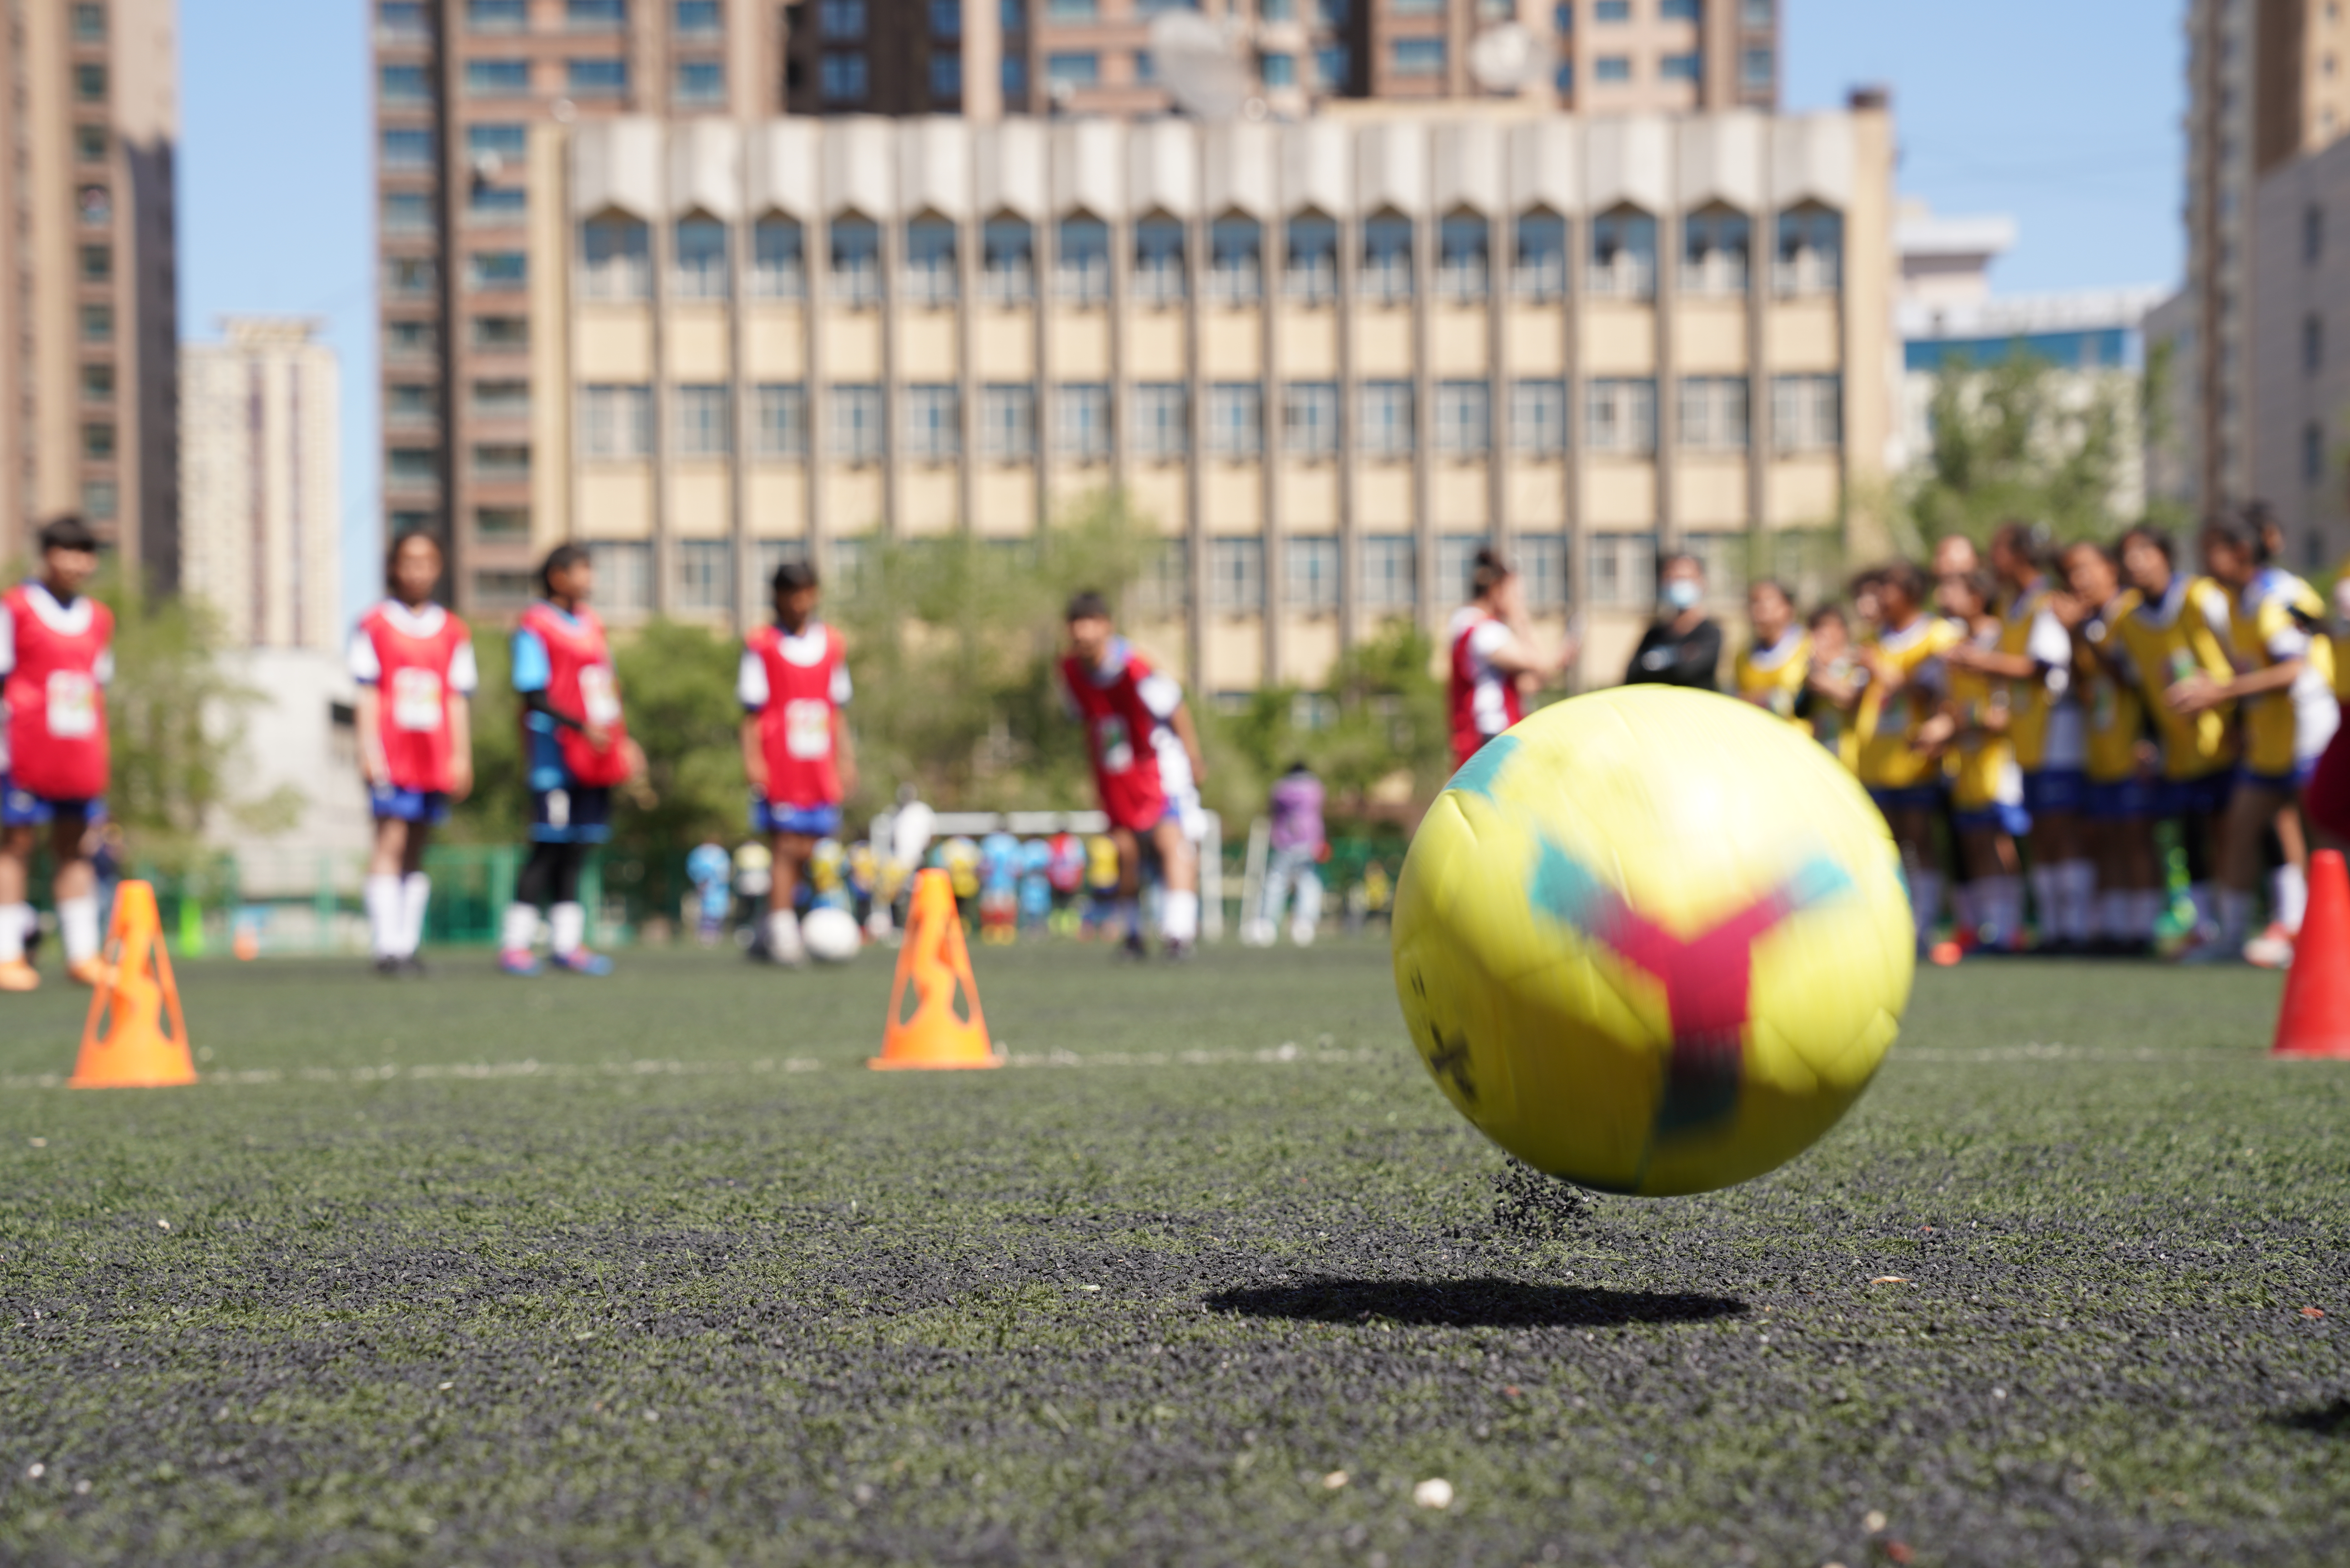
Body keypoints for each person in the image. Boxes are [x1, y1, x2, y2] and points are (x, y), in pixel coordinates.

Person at [2167, 514, 2339, 965]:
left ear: (2239, 553)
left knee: (2323, 835)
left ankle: (2318, 936)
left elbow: (2292, 669)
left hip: (2306, 729)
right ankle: (2231, 938)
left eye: (2211, 549)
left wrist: (2219, 691)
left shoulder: (2274, 597)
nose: (2204, 561)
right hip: (2268, 735)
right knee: (2240, 828)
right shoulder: (2235, 602)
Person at [1945, 522, 2095, 951]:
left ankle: (2078, 929)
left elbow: (2044, 666)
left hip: (2057, 726)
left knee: (2061, 827)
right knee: (2043, 831)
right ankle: (2052, 927)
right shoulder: (2014, 604)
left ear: (2019, 555)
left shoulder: (2045, 601)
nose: (1992, 560)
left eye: (1998, 550)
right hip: (2028, 731)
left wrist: (1983, 662)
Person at [498, 544, 643, 977]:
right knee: (547, 847)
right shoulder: (535, 625)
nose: (590, 578)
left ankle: (567, 943)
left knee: (579, 849)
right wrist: (580, 728)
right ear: (557, 576)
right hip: (553, 761)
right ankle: (516, 944)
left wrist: (623, 741)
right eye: (582, 569)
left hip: (595, 760)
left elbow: (605, 689)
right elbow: (533, 693)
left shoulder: (592, 625)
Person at [349, 530, 477, 978]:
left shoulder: (453, 630)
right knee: (391, 839)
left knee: (418, 844)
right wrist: (368, 748)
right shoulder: (374, 624)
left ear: (438, 567)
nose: (417, 570)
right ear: (394, 566)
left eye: (427, 561)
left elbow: (457, 697)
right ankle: (385, 944)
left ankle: (406, 943)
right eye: (409, 560)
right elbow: (366, 693)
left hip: (433, 754)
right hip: (392, 752)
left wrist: (461, 755)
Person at [2108, 526, 2239, 954]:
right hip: (2178, 749)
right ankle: (2203, 928)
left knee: (2234, 833)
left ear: (2166, 554)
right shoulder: (2127, 620)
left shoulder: (2203, 598)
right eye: (2128, 556)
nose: (2137, 563)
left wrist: (2232, 709)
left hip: (2227, 739)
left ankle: (2244, 926)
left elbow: (2242, 660)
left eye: (2145, 552)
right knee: (2190, 835)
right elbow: (2137, 685)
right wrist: (2147, 739)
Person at [1057, 590, 1206, 960]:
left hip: (1158, 768)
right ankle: (1134, 933)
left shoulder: (1135, 667)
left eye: (1091, 627)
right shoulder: (1071, 672)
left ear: (1106, 627)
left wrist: (1193, 756)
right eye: (1077, 630)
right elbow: (1087, 723)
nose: (1085, 637)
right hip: (1114, 774)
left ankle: (1179, 933)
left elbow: (1175, 709)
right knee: (1124, 851)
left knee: (1171, 841)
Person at [0, 517, 115, 992]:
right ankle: (7, 954)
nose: (76, 562)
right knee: (15, 845)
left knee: (76, 848)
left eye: (85, 552)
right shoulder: (16, 607)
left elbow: (98, 683)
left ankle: (83, 953)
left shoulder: (101, 618)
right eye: (66, 550)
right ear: (47, 555)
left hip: (78, 755)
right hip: (24, 750)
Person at [739, 559, 857, 968]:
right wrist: (754, 760)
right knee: (785, 845)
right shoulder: (762, 644)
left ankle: (771, 924)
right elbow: (751, 712)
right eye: (792, 592)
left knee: (812, 847)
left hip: (818, 761)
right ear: (778, 597)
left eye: (808, 591)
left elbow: (837, 711)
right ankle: (783, 932)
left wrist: (846, 760)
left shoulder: (833, 644)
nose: (801, 600)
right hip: (781, 759)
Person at [2058, 538, 2162, 955]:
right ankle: (2119, 928)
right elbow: (2083, 683)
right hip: (2101, 744)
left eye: (2086, 568)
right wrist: (2074, 636)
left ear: (2110, 570)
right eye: (2071, 573)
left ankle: (2146, 928)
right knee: (2110, 836)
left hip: (2132, 741)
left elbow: (2127, 675)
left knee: (2137, 836)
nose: (2077, 580)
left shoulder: (2129, 614)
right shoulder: (2092, 621)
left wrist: (2079, 633)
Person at [1853, 560, 1963, 957]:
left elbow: (1935, 692)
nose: (1880, 597)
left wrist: (1883, 672)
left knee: (1920, 841)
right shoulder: (1874, 638)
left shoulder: (1938, 635)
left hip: (1914, 756)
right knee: (1889, 844)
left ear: (1912, 593)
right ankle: (1892, 923)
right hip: (1876, 758)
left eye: (1889, 588)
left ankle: (1924, 923)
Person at [1938, 568, 2029, 957]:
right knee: (1974, 841)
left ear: (1977, 596)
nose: (1942, 594)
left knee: (1997, 839)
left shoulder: (1999, 637)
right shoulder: (1958, 643)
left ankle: (2012, 928)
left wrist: (1968, 718)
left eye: (1952, 589)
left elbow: (2006, 709)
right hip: (1968, 757)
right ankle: (1986, 927)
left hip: (2000, 758)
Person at [1448, 548, 1572, 769]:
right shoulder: (1485, 632)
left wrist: (1554, 665)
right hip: (1489, 736)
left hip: (1482, 736)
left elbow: (1527, 684)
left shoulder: (1465, 623)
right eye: (1513, 592)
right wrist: (1520, 617)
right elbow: (1537, 662)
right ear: (1497, 590)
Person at [1624, 553, 1723, 690]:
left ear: (1702, 583)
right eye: (1672, 578)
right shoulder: (1654, 635)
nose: (1677, 584)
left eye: (1684, 579)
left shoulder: (1710, 634)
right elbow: (1632, 675)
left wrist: (1652, 670)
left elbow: (1686, 673)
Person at [1258, 760, 1327, 948]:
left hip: (1284, 841)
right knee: (1308, 883)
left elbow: (1272, 809)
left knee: (1276, 883)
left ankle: (1268, 923)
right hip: (1309, 843)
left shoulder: (1280, 789)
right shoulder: (1316, 788)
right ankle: (1304, 924)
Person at [1795, 604, 1863, 770]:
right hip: (1821, 755)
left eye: (1825, 627)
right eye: (1815, 628)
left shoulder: (1857, 662)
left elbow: (1852, 700)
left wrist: (1823, 679)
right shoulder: (1808, 667)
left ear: (1842, 629)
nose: (1820, 635)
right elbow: (1799, 710)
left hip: (1852, 759)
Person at [1732, 579, 1809, 721]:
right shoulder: (1743, 657)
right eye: (1753, 603)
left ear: (1788, 608)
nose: (1757, 611)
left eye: (1765, 602)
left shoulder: (1808, 648)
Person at [686, 839, 732, 946]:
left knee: (717, 910)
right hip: (706, 887)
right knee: (705, 911)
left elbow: (723, 871)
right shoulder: (700, 853)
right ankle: (706, 933)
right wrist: (700, 880)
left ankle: (714, 933)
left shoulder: (718, 853)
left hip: (718, 888)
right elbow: (694, 869)